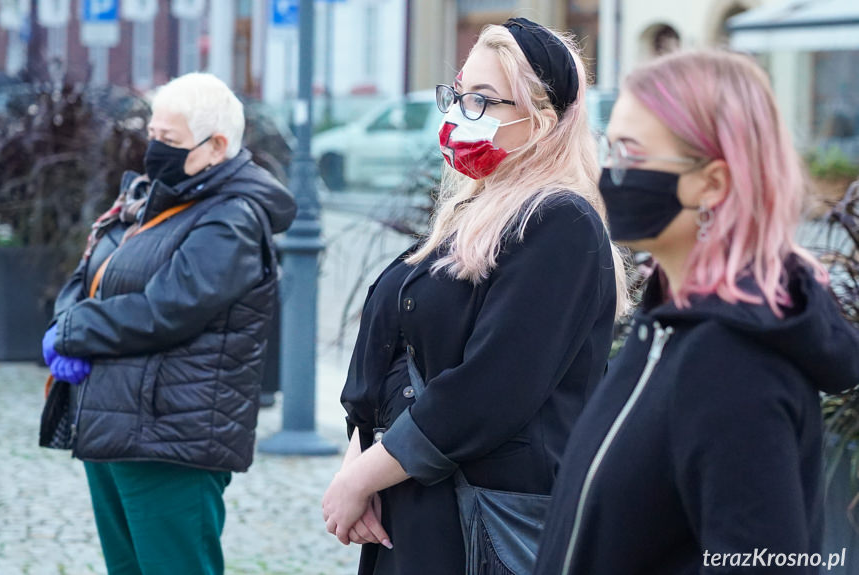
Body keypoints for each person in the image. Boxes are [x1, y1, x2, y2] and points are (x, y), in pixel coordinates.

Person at [534, 50, 859, 575]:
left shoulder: (734, 364)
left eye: (632, 156)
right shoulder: (665, 324)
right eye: (610, 148)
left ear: (712, 183)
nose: (610, 174)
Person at [322, 18, 627, 574]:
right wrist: (359, 449)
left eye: (484, 100)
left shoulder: (560, 222)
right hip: (412, 502)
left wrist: (363, 476)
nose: (461, 113)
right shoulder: (472, 210)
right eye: (459, 94)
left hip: (481, 520)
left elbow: (491, 388)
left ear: (542, 120)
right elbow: (388, 337)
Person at [40, 72, 296, 575]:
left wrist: (70, 332)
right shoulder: (152, 198)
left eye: (169, 141)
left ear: (217, 145)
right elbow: (90, 273)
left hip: (173, 439)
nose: (154, 150)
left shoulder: (232, 219)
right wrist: (66, 317)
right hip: (114, 425)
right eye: (152, 136)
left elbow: (166, 310)